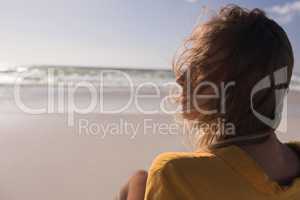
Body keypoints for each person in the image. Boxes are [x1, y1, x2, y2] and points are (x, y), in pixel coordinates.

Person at [119, 5, 300, 200]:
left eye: (200, 66)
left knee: (136, 180)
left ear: (235, 87)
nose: (180, 78)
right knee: (140, 179)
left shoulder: (176, 175)